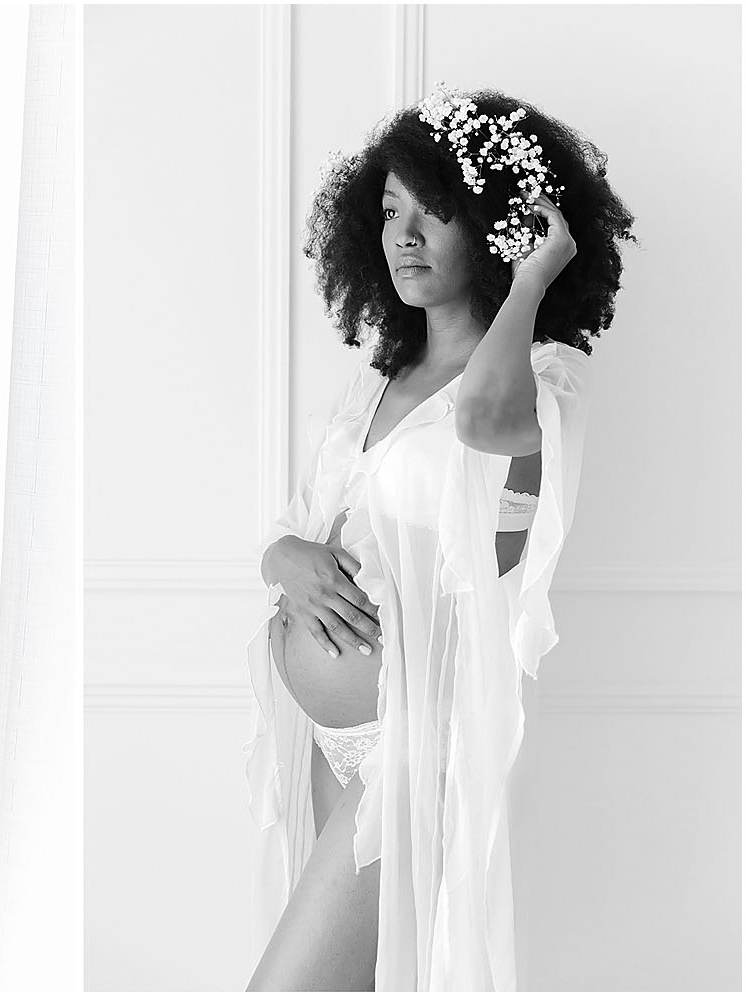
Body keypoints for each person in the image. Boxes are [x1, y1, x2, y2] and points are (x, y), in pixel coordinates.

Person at [246, 86, 635, 990]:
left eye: (437, 212)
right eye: (388, 212)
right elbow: (293, 530)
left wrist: (531, 280)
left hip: (415, 745)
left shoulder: (541, 380)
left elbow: (485, 429)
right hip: (326, 738)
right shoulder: (374, 384)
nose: (403, 237)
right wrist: (285, 561)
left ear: (499, 225)